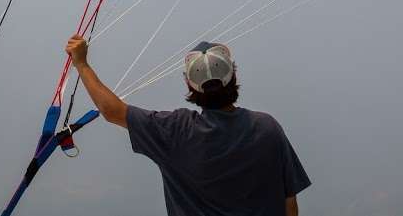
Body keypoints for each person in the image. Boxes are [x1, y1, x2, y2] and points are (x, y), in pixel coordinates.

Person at [65, 35, 311, 216]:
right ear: (233, 77)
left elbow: (112, 111)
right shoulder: (267, 128)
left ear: (190, 85)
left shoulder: (175, 130)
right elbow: (290, 205)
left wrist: (82, 64)